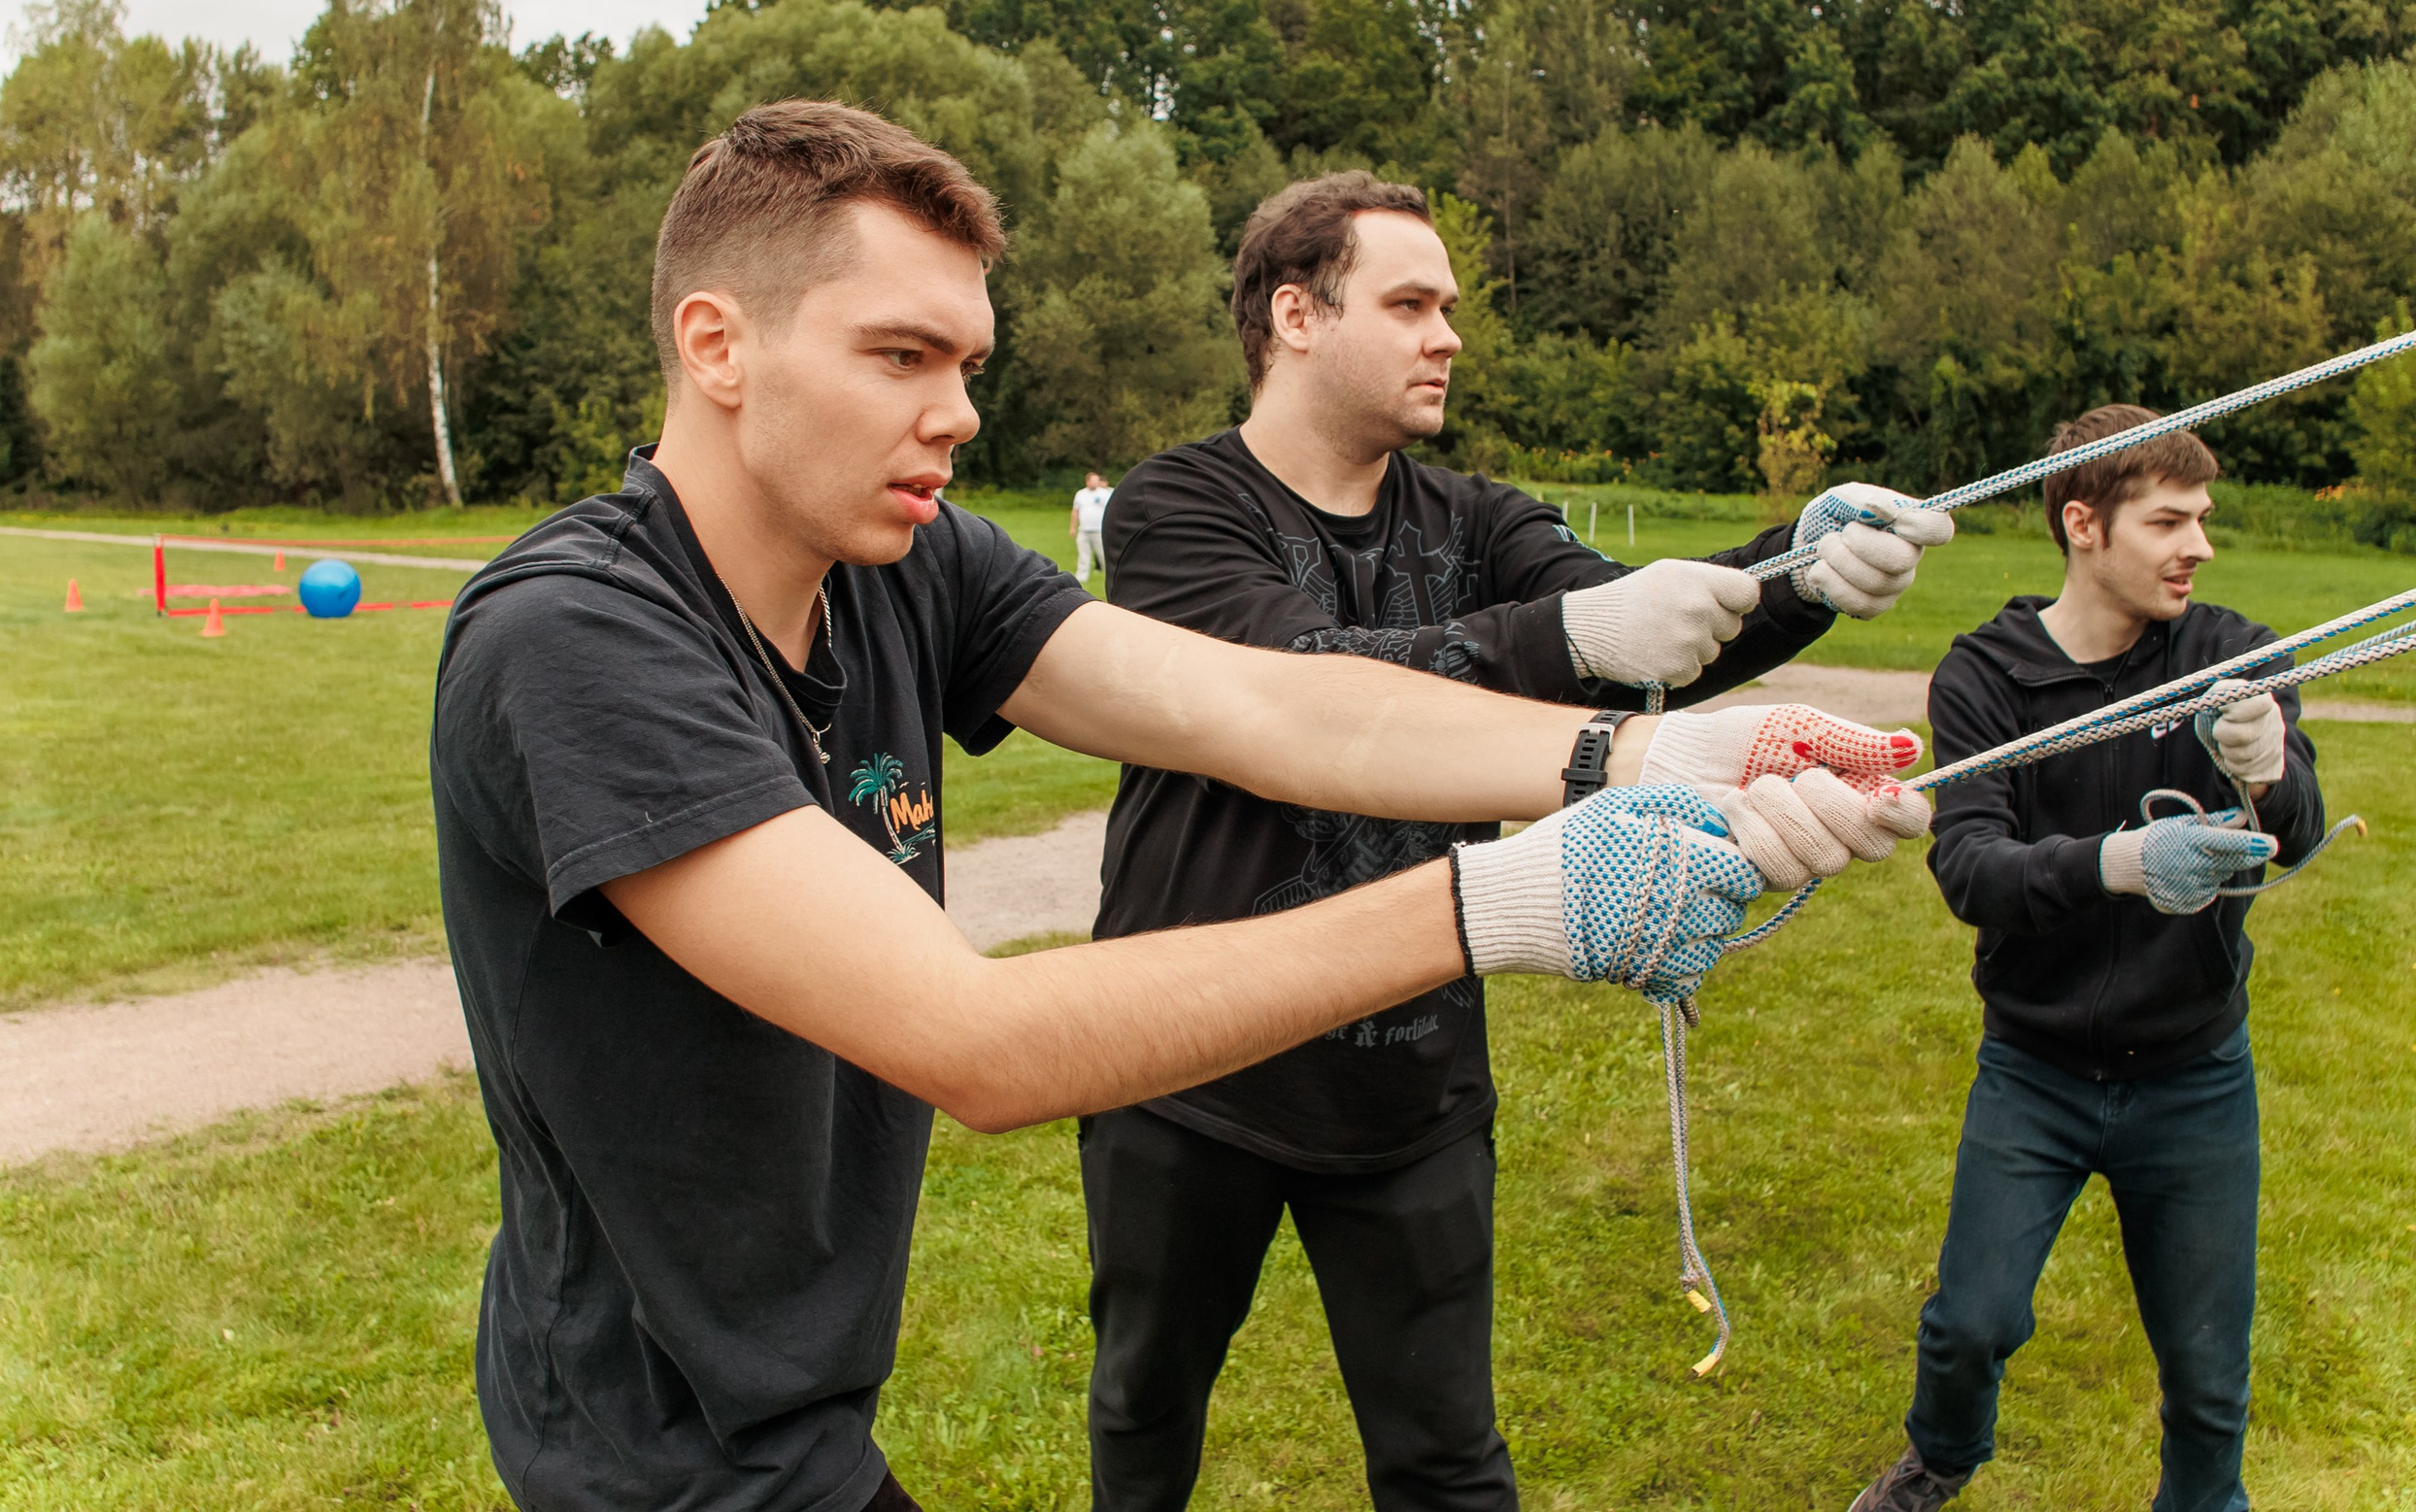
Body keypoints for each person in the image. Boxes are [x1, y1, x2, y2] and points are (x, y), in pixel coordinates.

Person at [429, 102, 1926, 1512]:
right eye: (900, 355)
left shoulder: (913, 566)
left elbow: (1258, 705)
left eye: (968, 362)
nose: (957, 412)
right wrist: (1508, 899)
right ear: (717, 345)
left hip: (795, 1395)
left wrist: (1639, 757)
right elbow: (974, 1037)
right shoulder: (577, 637)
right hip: (656, 1442)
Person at [1084, 170, 1957, 1512]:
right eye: (1409, 304)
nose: (1448, 335)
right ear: (1295, 316)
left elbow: (1635, 630)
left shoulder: (1481, 519)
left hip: (1410, 1082)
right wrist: (1569, 635)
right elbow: (1285, 674)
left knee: (1447, 1463)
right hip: (1187, 1067)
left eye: (1448, 306)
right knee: (1145, 1422)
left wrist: (1796, 569)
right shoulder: (1174, 509)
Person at [1846, 405, 2328, 1512]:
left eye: (2201, 518)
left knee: (2207, 1371)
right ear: (2081, 523)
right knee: (1969, 1324)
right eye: (2168, 521)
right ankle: (1941, 1459)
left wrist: (2272, 767)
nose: (2199, 546)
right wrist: (2119, 861)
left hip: (2194, 1072)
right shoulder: (1987, 675)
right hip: (2038, 1069)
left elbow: (2297, 834)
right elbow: (1970, 868)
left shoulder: (2231, 655)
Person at [1072, 469, 1113, 581]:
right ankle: (1081, 577)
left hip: (1099, 530)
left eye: (1097, 480)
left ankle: (1110, 576)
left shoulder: (1104, 494)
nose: (1096, 482)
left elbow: (1111, 510)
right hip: (1084, 530)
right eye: (1093, 480)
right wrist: (1073, 528)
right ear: (1087, 482)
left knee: (1102, 554)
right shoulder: (1080, 494)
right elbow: (1075, 511)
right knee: (1083, 555)